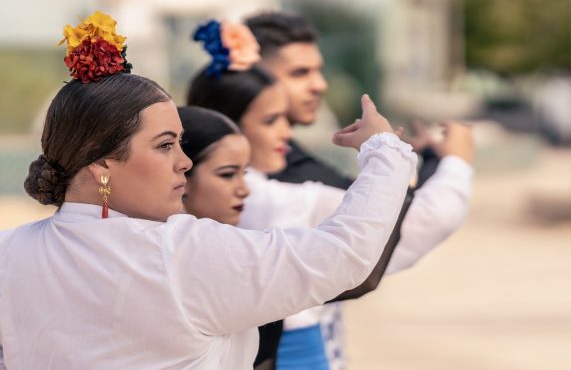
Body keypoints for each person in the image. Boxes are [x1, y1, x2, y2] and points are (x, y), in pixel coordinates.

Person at [0, 12, 417, 369]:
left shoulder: (10, 253)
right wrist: (385, 149)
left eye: (181, 143)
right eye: (165, 145)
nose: (184, 161)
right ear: (102, 162)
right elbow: (343, 257)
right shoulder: (178, 253)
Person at [187, 19, 474, 369]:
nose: (319, 85)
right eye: (299, 72)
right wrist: (445, 161)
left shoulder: (273, 181)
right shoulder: (273, 196)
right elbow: (402, 231)